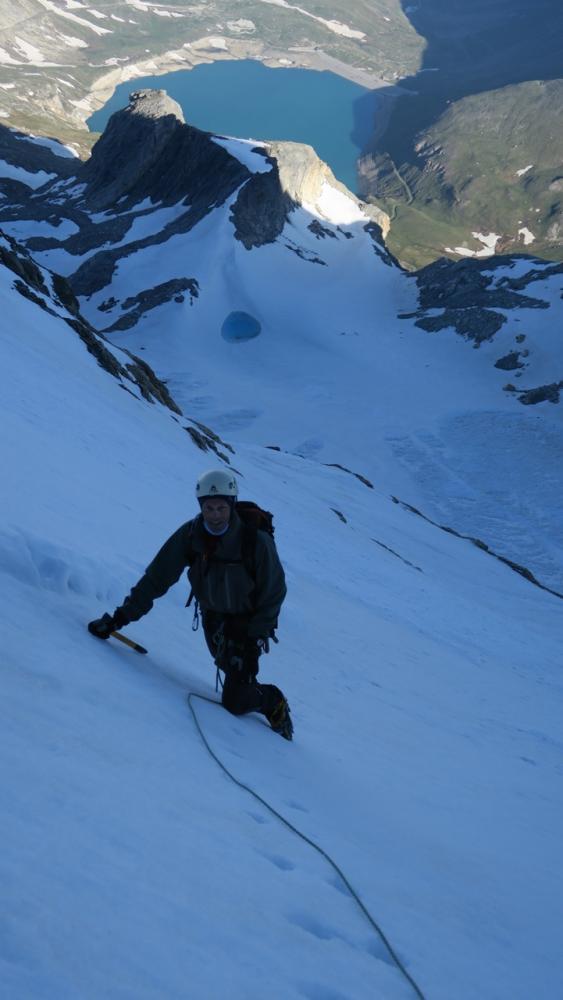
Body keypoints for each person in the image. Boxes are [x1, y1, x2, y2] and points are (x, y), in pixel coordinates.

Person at [88, 469, 293, 739]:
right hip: (214, 621)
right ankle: (245, 685)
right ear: (201, 507)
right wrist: (118, 619)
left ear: (232, 505)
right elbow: (156, 579)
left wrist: (255, 637)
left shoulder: (256, 542)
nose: (216, 515)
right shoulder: (191, 536)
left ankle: (273, 701)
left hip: (247, 626)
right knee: (231, 673)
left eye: (221, 507)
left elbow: (274, 592)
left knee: (235, 700)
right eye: (209, 508)